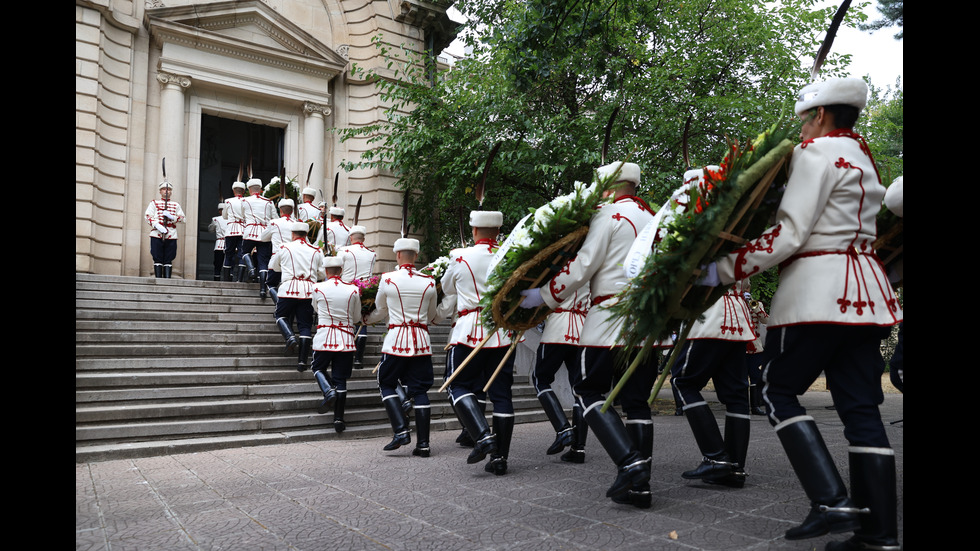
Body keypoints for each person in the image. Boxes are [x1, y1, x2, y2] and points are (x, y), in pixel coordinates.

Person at [704, 78, 903, 548]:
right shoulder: (862, 156)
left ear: (818, 115)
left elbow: (788, 236)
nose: (801, 130)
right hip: (864, 297)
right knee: (860, 409)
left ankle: (831, 501)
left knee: (776, 390)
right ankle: (879, 536)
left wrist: (723, 268)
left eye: (803, 120)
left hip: (817, 294)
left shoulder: (815, 154)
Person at [520, 162, 657, 505]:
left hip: (609, 319)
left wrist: (545, 294)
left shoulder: (608, 215)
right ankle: (641, 486)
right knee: (638, 402)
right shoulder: (656, 219)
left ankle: (630, 462)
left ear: (610, 185)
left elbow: (584, 265)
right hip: (645, 321)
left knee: (588, 390)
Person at [666, 168, 757, 489]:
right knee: (735, 395)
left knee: (682, 381)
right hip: (735, 313)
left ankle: (716, 457)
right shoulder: (736, 218)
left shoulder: (694, 218)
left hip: (709, 313)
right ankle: (734, 468)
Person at [438, 211, 522, 475]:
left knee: (457, 385)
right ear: (498, 231)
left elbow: (447, 287)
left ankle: (483, 436)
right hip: (502, 333)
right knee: (501, 395)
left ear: (474, 230)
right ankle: (500, 459)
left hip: (470, 331)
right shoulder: (511, 256)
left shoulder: (460, 256)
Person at [364, 238, 439, 457]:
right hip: (422, 342)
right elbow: (433, 315)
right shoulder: (429, 282)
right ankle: (423, 445)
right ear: (416, 256)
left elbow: (379, 310)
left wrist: (365, 319)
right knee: (421, 390)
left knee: (385, 381)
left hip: (396, 340)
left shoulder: (387, 279)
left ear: (398, 255)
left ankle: (401, 431)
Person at [532, 284, 591, 463]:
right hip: (582, 330)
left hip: (557, 329)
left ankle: (563, 429)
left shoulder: (557, 263)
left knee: (540, 379)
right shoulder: (588, 264)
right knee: (579, 389)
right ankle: (578, 448)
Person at [310, 256, 362, 432]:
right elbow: (356, 318)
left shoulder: (317, 287)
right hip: (346, 340)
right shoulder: (353, 289)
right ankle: (339, 419)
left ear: (326, 271)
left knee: (317, 368)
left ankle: (328, 391)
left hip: (325, 337)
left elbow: (315, 309)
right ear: (341, 271)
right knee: (341, 380)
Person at [269, 222, 325, 370]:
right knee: (305, 326)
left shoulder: (284, 247)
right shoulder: (316, 250)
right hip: (308, 291)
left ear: (293, 234)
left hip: (288, 289)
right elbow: (323, 273)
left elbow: (274, 266)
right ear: (306, 235)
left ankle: (290, 337)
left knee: (280, 316)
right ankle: (302, 362)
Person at [338, 225, 377, 365]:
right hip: (365, 291)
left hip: (347, 290)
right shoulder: (372, 253)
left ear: (350, 238)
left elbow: (338, 269)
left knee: (346, 321)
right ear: (364, 238)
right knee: (362, 322)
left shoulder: (343, 250)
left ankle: (346, 353)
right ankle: (358, 359)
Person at [242, 178, 276, 298]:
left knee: (245, 251)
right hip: (264, 233)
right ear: (260, 189)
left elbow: (242, 215)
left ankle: (251, 269)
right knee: (263, 262)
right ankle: (262, 290)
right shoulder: (269, 202)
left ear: (250, 189)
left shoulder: (245, 200)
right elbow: (274, 218)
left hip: (250, 231)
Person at [144, 180, 185, 278]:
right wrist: (157, 225)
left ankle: (167, 279)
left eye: (169, 189)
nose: (167, 191)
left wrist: (172, 217)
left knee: (169, 257)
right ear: (160, 191)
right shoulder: (154, 203)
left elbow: (183, 219)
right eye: (164, 189)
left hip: (171, 233)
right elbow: (148, 216)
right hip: (157, 233)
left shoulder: (176, 205)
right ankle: (158, 279)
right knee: (157, 256)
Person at [262, 198, 298, 301]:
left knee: (270, 283)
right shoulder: (297, 224)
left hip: (277, 258)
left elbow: (263, 237)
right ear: (292, 211)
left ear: (280, 211)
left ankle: (279, 306)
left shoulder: (274, 223)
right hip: (293, 259)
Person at [222, 181, 247, 282]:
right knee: (242, 253)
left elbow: (224, 216)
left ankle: (227, 280)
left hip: (231, 230)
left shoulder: (228, 201)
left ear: (233, 191)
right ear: (244, 191)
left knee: (229, 253)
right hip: (243, 230)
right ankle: (239, 280)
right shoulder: (247, 201)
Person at [208, 204, 228, 281]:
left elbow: (210, 230)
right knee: (229, 262)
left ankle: (217, 278)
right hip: (230, 244)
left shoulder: (215, 219)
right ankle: (228, 278)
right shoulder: (232, 219)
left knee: (218, 263)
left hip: (219, 244)